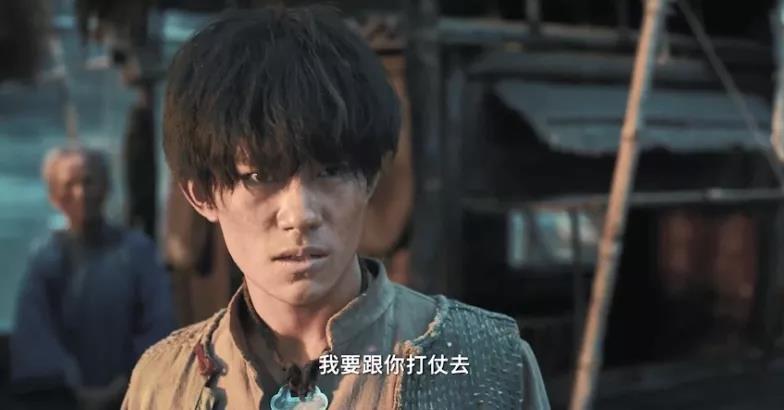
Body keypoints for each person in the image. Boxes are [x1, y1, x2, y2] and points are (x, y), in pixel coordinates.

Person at [122, 5, 549, 409]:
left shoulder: (484, 364)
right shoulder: (165, 383)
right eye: (259, 176)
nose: (300, 215)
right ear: (202, 194)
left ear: (371, 177)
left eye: (330, 172)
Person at [10, 146, 175, 410]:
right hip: (61, 397)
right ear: (54, 196)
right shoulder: (45, 257)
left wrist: (127, 379)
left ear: (106, 187)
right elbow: (35, 330)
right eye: (69, 185)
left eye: (88, 182)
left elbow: (159, 322)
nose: (81, 193)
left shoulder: (138, 252)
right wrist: (71, 381)